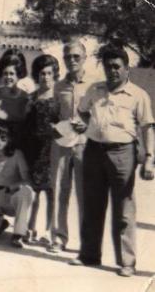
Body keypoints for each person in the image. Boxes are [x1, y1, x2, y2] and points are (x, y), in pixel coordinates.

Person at [69, 45, 154, 277]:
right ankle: (89, 254)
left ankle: (127, 261)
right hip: (94, 151)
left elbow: (147, 128)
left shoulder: (138, 95)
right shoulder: (95, 90)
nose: (112, 71)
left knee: (124, 208)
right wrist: (85, 125)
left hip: (122, 153)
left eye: (117, 66)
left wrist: (149, 158)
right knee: (92, 205)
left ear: (127, 69)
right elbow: (83, 111)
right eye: (108, 67)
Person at [48, 40, 91, 253]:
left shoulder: (95, 85)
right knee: (59, 190)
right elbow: (53, 114)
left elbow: (102, 115)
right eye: (67, 57)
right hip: (62, 144)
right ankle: (58, 238)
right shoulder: (59, 86)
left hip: (85, 145)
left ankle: (87, 242)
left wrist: (88, 125)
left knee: (85, 193)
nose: (71, 60)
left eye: (76, 56)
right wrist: (53, 127)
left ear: (84, 58)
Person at [23, 54, 60, 245]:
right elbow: (26, 124)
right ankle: (31, 228)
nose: (45, 77)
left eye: (49, 73)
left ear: (55, 74)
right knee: (34, 191)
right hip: (35, 149)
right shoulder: (31, 98)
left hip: (54, 148)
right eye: (42, 73)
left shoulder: (59, 97)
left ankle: (48, 230)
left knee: (52, 192)